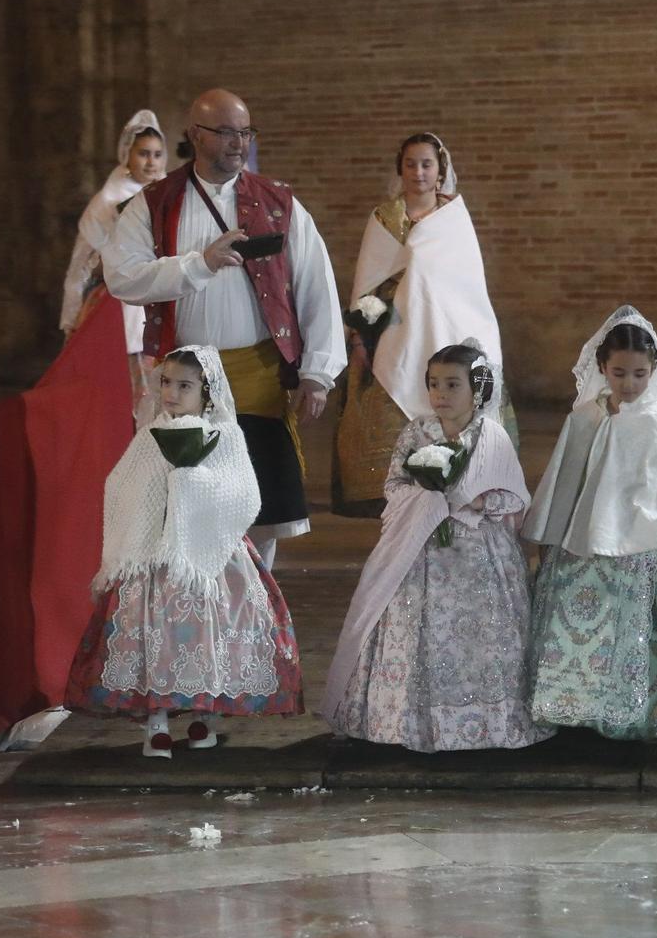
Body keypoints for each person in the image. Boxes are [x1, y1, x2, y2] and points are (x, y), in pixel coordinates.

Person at [104, 89, 346, 570]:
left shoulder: (277, 202)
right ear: (196, 134)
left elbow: (317, 285)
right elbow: (121, 277)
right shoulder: (156, 202)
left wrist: (318, 371)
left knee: (258, 503)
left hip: (257, 374)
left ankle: (253, 612)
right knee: (187, 500)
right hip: (183, 382)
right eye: (227, 132)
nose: (239, 142)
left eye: (246, 131)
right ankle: (199, 604)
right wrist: (199, 263)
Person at [63, 346, 304, 758]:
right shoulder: (151, 434)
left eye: (184, 386)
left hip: (212, 558)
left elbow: (242, 495)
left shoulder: (224, 434)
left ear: (206, 393)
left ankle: (203, 714)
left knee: (210, 633)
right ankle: (155, 721)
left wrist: (194, 482)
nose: (172, 393)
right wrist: (151, 511)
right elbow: (123, 486)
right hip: (155, 556)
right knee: (158, 635)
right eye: (167, 383)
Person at [321, 342, 547, 752]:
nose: (441, 394)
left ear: (477, 389)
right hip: (420, 549)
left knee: (479, 636)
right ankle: (407, 722)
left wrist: (477, 502)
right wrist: (428, 495)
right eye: (433, 384)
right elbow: (392, 486)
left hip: (479, 556)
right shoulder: (417, 431)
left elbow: (515, 497)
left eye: (452, 385)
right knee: (416, 631)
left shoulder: (490, 436)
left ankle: (484, 722)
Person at [524, 306, 657, 740]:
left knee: (649, 630)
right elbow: (566, 485)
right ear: (602, 368)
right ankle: (578, 711)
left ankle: (651, 714)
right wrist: (549, 538)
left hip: (649, 546)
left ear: (654, 369)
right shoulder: (585, 419)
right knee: (580, 628)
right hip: (584, 548)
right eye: (619, 373)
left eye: (639, 374)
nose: (629, 384)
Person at [334, 133, 511, 517]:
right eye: (411, 163)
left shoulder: (453, 218)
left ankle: (463, 476)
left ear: (440, 170)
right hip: (395, 329)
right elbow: (369, 278)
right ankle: (393, 487)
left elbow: (466, 283)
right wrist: (361, 328)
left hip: (448, 324)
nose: (418, 172)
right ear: (400, 168)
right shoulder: (384, 217)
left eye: (426, 164)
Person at [59, 110, 169, 393]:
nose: (151, 162)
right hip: (124, 303)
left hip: (167, 294)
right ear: (127, 154)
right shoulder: (109, 200)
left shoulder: (171, 193)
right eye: (143, 153)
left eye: (157, 155)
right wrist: (71, 318)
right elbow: (82, 262)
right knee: (126, 392)